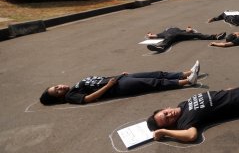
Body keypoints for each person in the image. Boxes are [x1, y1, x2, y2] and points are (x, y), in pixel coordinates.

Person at [39, 61, 201, 105]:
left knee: (156, 73)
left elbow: (98, 79)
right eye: (57, 91)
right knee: (152, 82)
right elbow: (88, 99)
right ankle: (187, 81)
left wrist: (118, 75)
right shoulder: (70, 96)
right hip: (118, 87)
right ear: (59, 98)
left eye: (57, 87)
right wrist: (109, 86)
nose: (60, 88)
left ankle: (187, 72)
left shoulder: (74, 85)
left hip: (119, 79)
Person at [145, 26, 225, 53]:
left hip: (180, 35)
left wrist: (189, 29)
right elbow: (153, 36)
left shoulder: (177, 30)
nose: (171, 27)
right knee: (169, 38)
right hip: (175, 36)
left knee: (196, 34)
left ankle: (215, 36)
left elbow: (188, 31)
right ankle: (161, 47)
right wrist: (149, 34)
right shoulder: (163, 32)